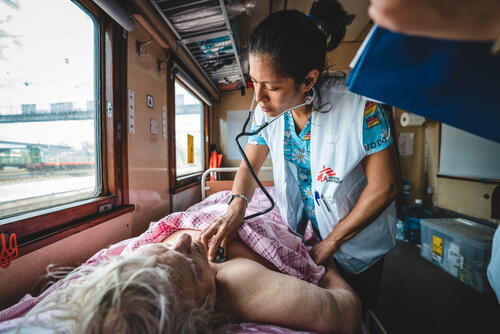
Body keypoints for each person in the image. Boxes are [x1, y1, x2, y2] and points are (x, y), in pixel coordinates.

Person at [200, 0, 400, 313]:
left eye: (272, 87)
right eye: (254, 82)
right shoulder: (268, 111)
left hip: (357, 239)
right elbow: (249, 166)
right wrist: (236, 206)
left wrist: (332, 242)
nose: (259, 98)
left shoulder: (361, 108)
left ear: (309, 79)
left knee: (357, 309)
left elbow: (385, 188)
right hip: (310, 230)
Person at [10, 228, 361, 333]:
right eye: (191, 267)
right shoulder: (241, 287)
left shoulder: (130, 269)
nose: (183, 239)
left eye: (156, 249)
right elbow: (342, 314)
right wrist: (330, 269)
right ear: (206, 306)